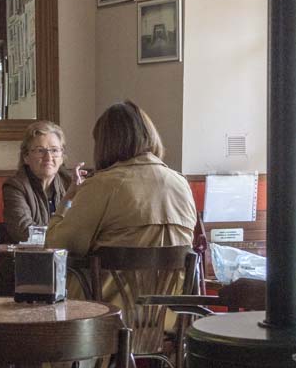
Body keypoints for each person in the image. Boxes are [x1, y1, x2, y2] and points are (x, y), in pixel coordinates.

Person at [46, 100, 196, 256]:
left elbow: (57, 244)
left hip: (110, 280)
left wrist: (68, 198)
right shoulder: (181, 184)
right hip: (175, 281)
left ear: (104, 143)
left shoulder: (101, 185)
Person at [1, 120, 80, 244]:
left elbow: (83, 228)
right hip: (29, 260)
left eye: (54, 150)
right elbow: (25, 233)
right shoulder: (14, 187)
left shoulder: (70, 183)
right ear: (26, 157)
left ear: (62, 157)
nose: (48, 157)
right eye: (40, 150)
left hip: (66, 258)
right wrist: (66, 234)